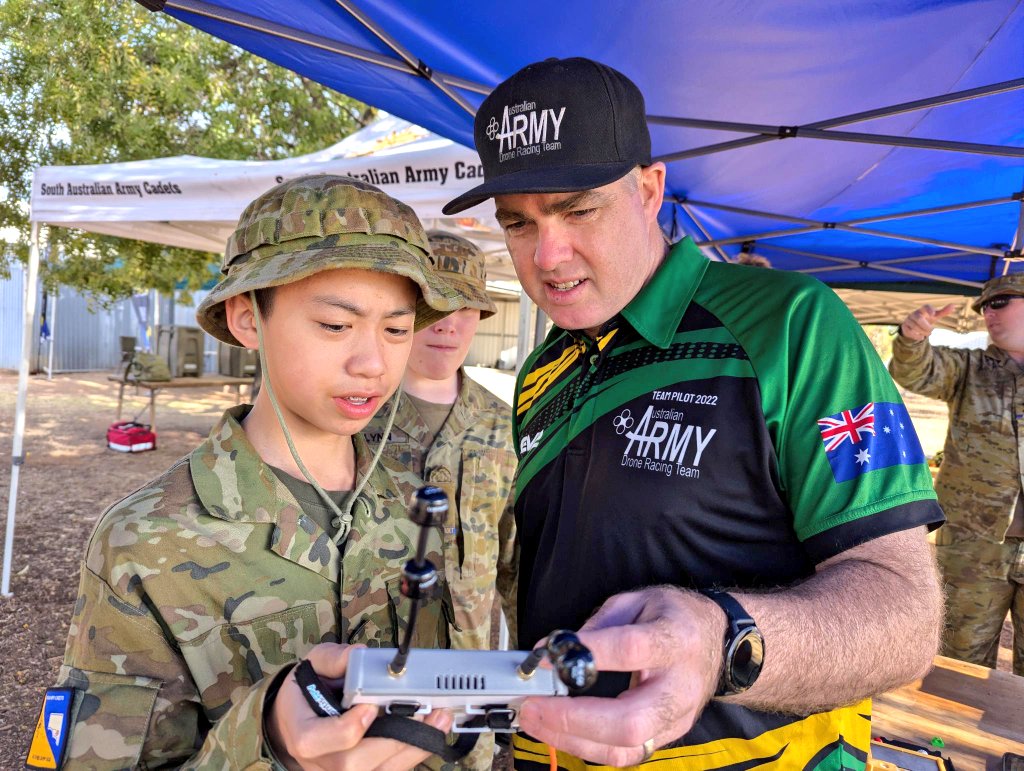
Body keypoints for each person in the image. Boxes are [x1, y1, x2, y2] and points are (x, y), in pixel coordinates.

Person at [442, 57, 945, 770]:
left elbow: (904, 616)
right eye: (518, 223)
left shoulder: (790, 325)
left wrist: (722, 640)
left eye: (579, 209)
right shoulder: (540, 370)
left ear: (650, 190)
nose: (547, 256)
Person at [31, 175, 467, 769]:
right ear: (247, 319)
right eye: (336, 326)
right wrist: (267, 743)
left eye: (396, 329)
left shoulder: (420, 511)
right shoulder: (145, 543)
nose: (373, 363)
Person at [364, 230, 517, 771]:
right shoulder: (354, 420)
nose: (451, 324)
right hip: (370, 681)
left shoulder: (504, 427)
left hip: (465, 684)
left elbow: (514, 568)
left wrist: (520, 681)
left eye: (468, 308)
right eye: (435, 305)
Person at [889, 274, 1024, 676]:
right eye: (983, 307)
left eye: (999, 302)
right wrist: (911, 338)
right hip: (973, 548)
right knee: (958, 663)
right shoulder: (971, 367)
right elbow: (918, 371)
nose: (988, 313)